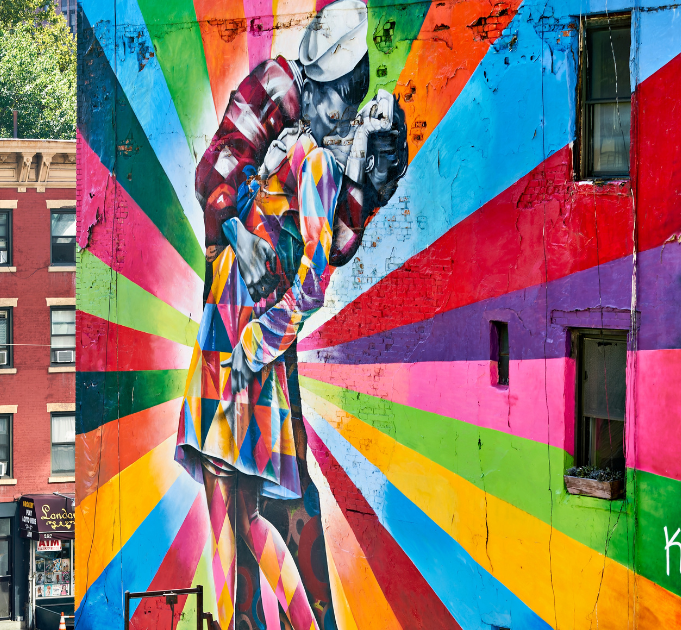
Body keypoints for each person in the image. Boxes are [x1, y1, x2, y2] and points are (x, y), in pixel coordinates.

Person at [177, 2, 408, 630]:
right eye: (334, 97)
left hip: (246, 339)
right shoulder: (285, 109)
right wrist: (243, 230)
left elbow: (314, 270)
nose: (338, 113)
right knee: (238, 503)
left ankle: (279, 621)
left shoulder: (315, 160)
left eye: (347, 101)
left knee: (241, 502)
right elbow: (216, 177)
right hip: (233, 327)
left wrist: (260, 338)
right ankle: (271, 622)